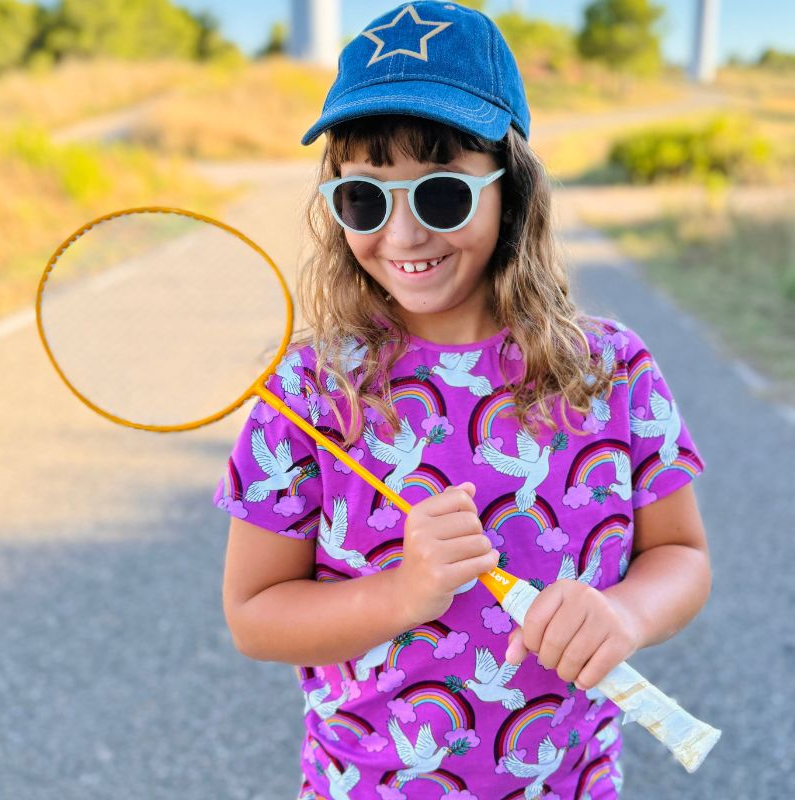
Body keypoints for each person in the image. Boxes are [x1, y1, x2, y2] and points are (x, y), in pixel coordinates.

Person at [213, 3, 711, 798]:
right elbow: (254, 613)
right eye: (365, 201)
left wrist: (627, 617)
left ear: (510, 188)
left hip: (569, 782)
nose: (403, 236)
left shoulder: (610, 370)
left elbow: (680, 556)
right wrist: (404, 593)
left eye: (441, 196)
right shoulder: (311, 392)